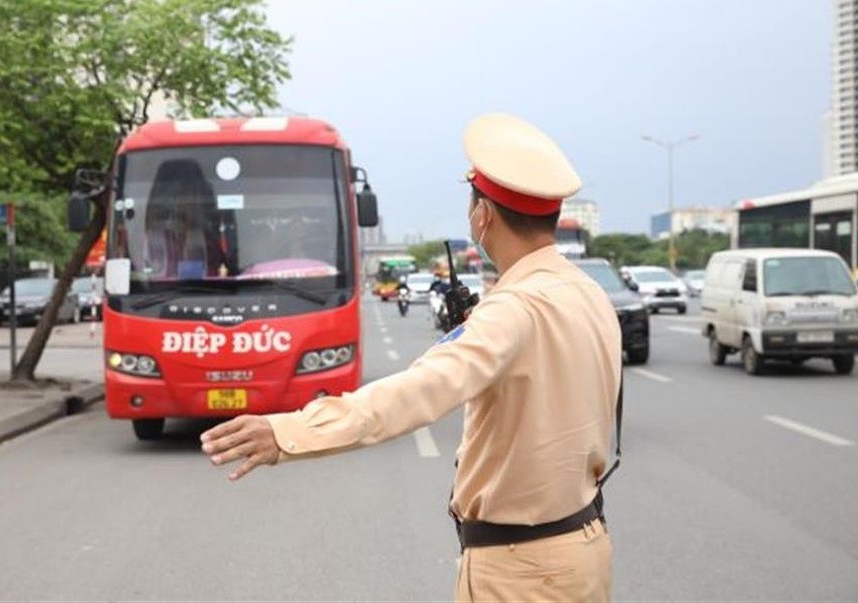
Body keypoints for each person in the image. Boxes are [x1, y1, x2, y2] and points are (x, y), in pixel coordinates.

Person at [200, 112, 623, 602]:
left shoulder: (512, 311)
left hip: (520, 572)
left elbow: (415, 392)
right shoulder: (587, 292)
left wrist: (287, 432)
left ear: (481, 215)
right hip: (582, 547)